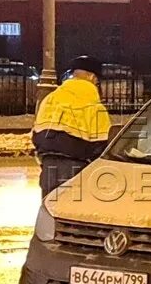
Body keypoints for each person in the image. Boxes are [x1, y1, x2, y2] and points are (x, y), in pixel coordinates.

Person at [31, 56, 112, 195]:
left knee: (50, 212)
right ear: (92, 77)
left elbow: (36, 134)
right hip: (77, 169)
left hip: (48, 167)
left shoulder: (51, 98)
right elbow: (103, 144)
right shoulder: (93, 104)